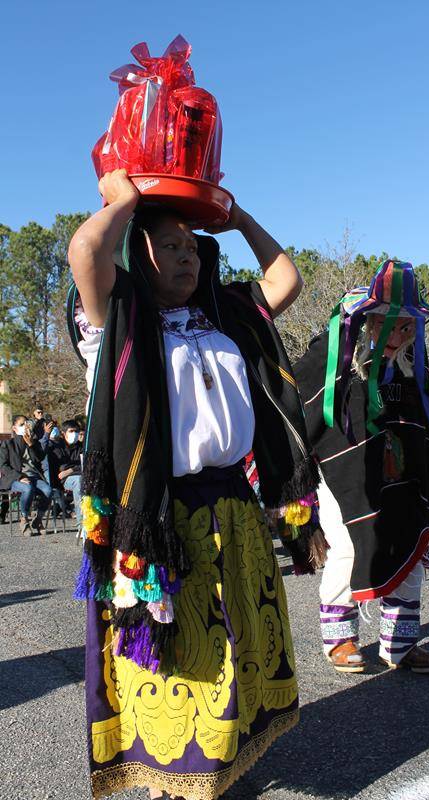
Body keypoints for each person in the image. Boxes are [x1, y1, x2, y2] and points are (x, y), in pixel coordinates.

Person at [67, 169, 320, 800]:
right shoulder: (117, 319)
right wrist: (125, 202)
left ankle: (218, 764)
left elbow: (286, 280)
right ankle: (167, 782)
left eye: (191, 247)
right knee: (182, 660)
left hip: (233, 510)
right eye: (171, 246)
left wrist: (237, 220)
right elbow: (85, 252)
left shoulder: (222, 315)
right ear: (139, 252)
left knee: (236, 649)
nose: (186, 256)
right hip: (161, 519)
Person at [294, 259, 429, 676]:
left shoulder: (408, 368)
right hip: (343, 477)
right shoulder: (332, 357)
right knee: (348, 546)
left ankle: (400, 644)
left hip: (397, 477)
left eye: (407, 327)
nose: (398, 334)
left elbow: (415, 424)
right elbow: (300, 407)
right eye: (387, 323)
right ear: (367, 320)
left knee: (410, 541)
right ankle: (340, 638)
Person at [0, 414, 52, 534]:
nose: (25, 426)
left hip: (33, 476)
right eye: (22, 424)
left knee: (48, 490)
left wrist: (31, 445)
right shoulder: (8, 444)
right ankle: (24, 519)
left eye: (27, 424)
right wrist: (19, 477)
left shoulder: (34, 442)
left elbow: (39, 458)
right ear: (14, 428)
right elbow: (3, 466)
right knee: (27, 488)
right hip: (14, 478)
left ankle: (38, 519)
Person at [48, 419, 83, 530]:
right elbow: (61, 468)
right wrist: (73, 469)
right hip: (61, 482)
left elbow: (85, 464)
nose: (75, 434)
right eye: (71, 431)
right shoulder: (57, 446)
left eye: (77, 431)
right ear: (63, 433)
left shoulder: (81, 447)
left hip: (77, 476)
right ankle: (81, 525)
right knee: (79, 480)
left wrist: (71, 470)